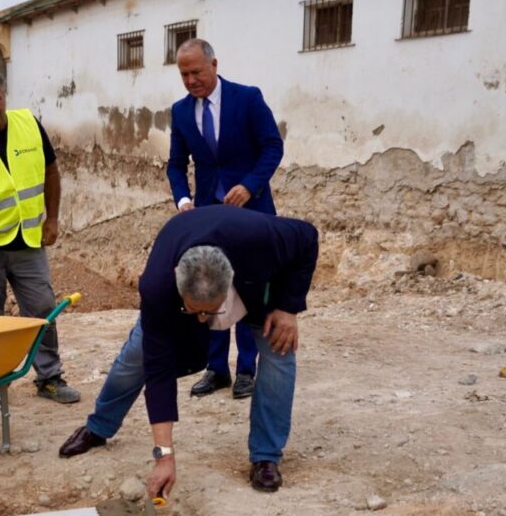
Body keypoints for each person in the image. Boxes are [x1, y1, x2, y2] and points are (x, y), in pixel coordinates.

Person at [57, 207, 318, 495]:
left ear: (230, 277)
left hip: (258, 290)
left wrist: (288, 307)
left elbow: (308, 238)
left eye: (211, 311)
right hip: (189, 288)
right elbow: (159, 373)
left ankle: (266, 456)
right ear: (176, 280)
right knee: (136, 356)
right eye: (195, 311)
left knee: (279, 354)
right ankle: (99, 426)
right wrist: (164, 456)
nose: (204, 320)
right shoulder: (158, 285)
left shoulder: (260, 239)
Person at [0, 66, 79, 404]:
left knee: (42, 308)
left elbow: (52, 172)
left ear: (4, 96)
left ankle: (49, 378)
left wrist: (52, 219)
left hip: (28, 240)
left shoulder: (29, 125)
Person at [167, 38, 285, 402]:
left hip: (251, 213)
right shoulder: (181, 111)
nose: (191, 81)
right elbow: (175, 164)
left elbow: (272, 147)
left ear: (214, 65)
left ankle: (247, 369)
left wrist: (250, 186)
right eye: (184, 75)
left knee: (249, 287)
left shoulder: (247, 98)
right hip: (208, 216)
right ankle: (216, 368)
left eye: (196, 72)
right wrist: (184, 200)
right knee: (211, 287)